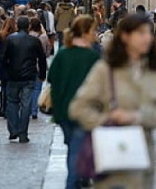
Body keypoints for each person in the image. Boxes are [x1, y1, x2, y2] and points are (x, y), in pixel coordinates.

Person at [69, 14, 156, 189]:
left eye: (149, 33)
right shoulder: (105, 70)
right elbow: (78, 107)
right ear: (125, 36)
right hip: (110, 158)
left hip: (143, 160)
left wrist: (136, 117)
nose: (147, 38)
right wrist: (106, 120)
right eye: (140, 33)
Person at [48, 15, 100, 189]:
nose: (96, 34)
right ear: (85, 33)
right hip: (83, 112)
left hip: (62, 111)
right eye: (93, 30)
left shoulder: (63, 53)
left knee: (74, 147)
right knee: (77, 151)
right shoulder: (92, 57)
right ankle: (73, 183)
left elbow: (52, 78)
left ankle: (80, 179)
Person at [2, 17, 47, 143]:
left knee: (12, 102)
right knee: (26, 104)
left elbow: (3, 57)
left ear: (17, 26)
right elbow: (42, 59)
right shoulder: (34, 41)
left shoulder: (10, 39)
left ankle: (13, 130)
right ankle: (23, 133)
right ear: (28, 26)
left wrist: (4, 74)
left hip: (13, 76)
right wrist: (42, 74)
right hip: (28, 76)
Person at [28, 18, 50, 119]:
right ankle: (34, 111)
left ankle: (27, 109)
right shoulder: (44, 37)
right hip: (40, 65)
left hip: (28, 65)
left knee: (28, 88)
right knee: (37, 88)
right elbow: (48, 51)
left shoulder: (27, 35)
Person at [0, 17, 17, 118]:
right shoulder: (15, 37)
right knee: (12, 88)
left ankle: (2, 108)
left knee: (3, 88)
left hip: (2, 65)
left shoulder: (0, 36)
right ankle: (9, 108)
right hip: (13, 65)